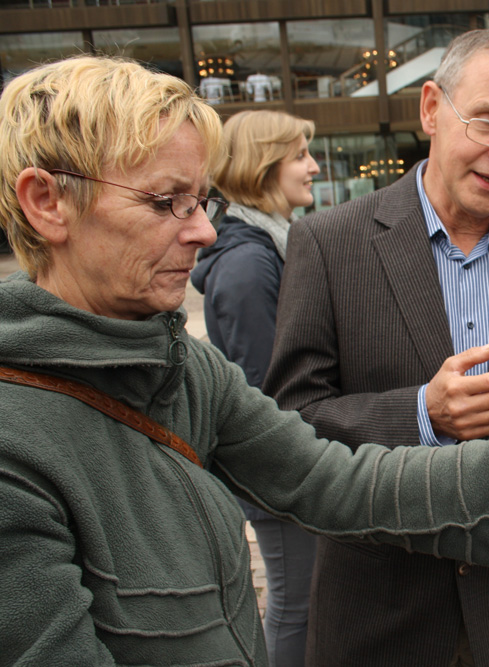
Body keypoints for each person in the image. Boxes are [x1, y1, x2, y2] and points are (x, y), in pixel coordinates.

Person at [0, 55, 489, 665]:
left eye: (202, 202)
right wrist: (424, 413)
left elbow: (336, 481)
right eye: (166, 202)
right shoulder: (17, 442)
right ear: (47, 202)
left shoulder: (186, 369)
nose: (202, 232)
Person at [262, 28, 489, 667]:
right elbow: (289, 426)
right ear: (431, 107)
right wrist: (421, 415)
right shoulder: (328, 243)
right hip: (378, 613)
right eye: (487, 124)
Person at [190, 109, 321, 666]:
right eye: (299, 155)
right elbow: (264, 384)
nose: (313, 166)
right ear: (264, 166)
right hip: (276, 471)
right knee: (295, 604)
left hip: (287, 464)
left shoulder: (272, 244)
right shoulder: (249, 260)